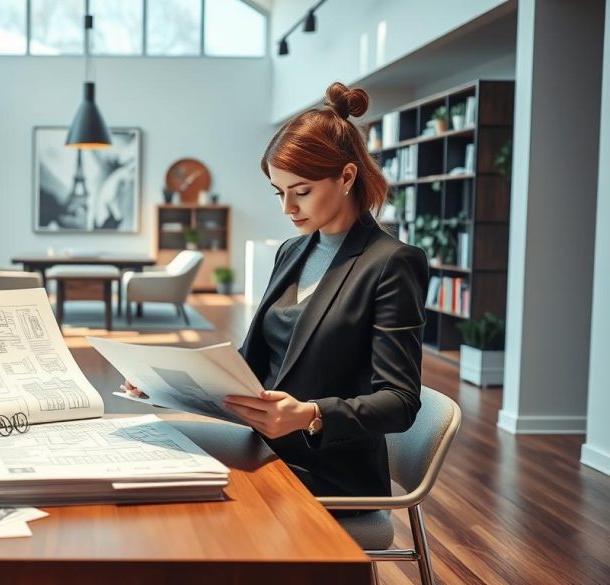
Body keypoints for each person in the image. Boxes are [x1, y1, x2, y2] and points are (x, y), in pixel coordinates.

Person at [122, 82, 428, 499]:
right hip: (265, 446)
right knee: (149, 458)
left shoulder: (391, 263)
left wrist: (311, 415)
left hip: (328, 469)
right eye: (280, 193)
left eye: (301, 191)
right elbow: (251, 367)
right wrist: (163, 386)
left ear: (346, 177)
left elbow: (400, 401)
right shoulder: (292, 252)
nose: (288, 208)